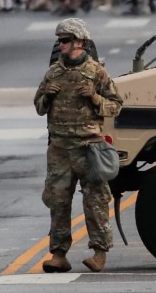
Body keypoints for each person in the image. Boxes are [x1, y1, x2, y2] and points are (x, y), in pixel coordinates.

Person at [34, 18, 123, 273]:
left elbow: (116, 105)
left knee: (95, 201)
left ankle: (99, 253)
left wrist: (95, 97)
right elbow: (39, 108)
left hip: (88, 147)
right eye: (59, 41)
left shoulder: (96, 72)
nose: (60, 45)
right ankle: (59, 254)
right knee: (58, 201)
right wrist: (47, 95)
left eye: (65, 40)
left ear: (80, 42)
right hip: (60, 149)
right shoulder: (53, 73)